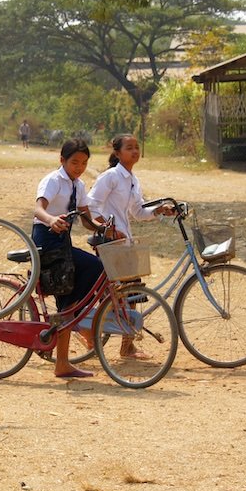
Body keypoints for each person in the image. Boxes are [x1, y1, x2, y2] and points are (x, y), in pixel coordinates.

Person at [87, 134, 176, 358]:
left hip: (124, 242)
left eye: (137, 147)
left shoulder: (133, 180)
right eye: (129, 148)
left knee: (131, 292)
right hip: (111, 242)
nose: (135, 151)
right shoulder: (110, 177)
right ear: (117, 153)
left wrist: (159, 210)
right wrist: (106, 228)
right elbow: (91, 206)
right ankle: (99, 335)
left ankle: (127, 345)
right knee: (123, 292)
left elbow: (137, 212)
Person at [32, 139, 107, 378]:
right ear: (62, 160)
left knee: (93, 273)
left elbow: (87, 220)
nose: (79, 167)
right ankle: (71, 313)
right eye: (74, 162)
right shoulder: (53, 180)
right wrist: (51, 219)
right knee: (94, 266)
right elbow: (38, 209)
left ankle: (68, 323)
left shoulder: (79, 185)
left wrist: (103, 229)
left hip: (62, 244)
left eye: (84, 163)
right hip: (47, 242)